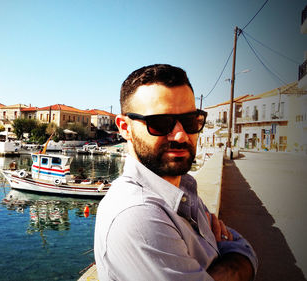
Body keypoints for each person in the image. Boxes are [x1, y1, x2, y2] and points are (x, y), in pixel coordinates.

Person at [94, 64, 257, 281]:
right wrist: (235, 255)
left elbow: (245, 249)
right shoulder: (136, 215)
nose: (181, 136)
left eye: (190, 121)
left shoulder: (182, 190)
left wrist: (234, 256)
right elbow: (242, 249)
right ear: (125, 128)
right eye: (160, 123)